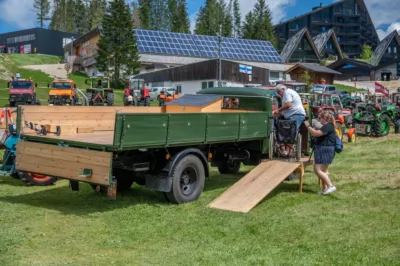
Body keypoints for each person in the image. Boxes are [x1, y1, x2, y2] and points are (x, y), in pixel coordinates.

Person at [303, 110, 337, 195]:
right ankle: (324, 190)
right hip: (328, 149)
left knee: (317, 170)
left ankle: (330, 186)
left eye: (319, 118)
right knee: (323, 170)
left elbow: (316, 133)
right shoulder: (329, 126)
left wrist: (308, 126)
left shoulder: (327, 126)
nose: (319, 120)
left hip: (324, 149)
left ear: (324, 118)